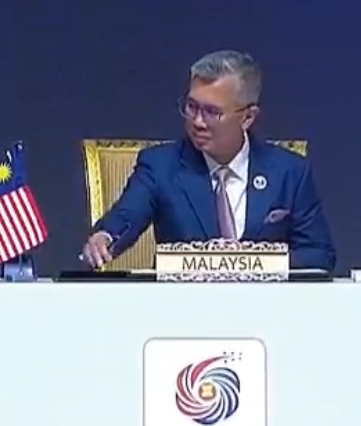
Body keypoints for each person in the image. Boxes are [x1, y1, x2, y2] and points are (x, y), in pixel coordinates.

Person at [79, 50, 336, 271]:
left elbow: (319, 254)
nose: (198, 122)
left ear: (247, 117)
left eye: (212, 112)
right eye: (192, 107)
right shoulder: (160, 167)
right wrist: (106, 236)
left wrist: (255, 263)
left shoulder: (289, 172)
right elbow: (127, 215)